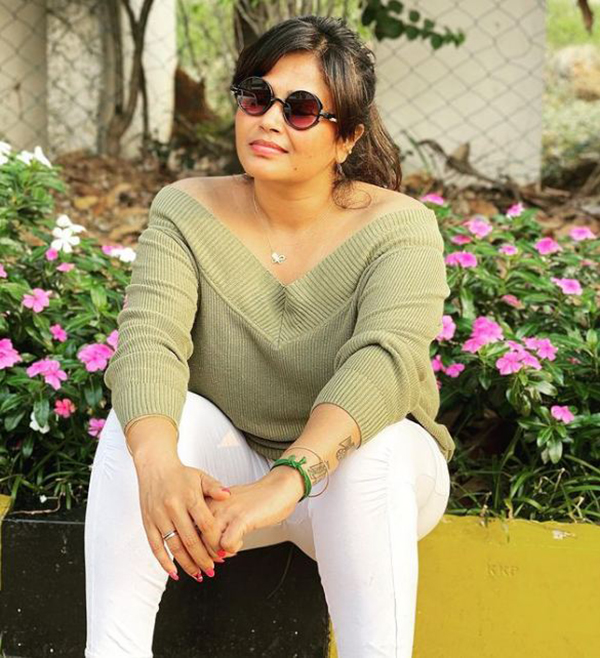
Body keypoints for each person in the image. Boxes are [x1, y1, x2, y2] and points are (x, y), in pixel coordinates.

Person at [84, 14, 455, 658]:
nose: (270, 120)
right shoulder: (186, 209)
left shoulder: (401, 227)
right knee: (140, 430)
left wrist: (286, 481)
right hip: (233, 476)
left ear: (347, 138)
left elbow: (384, 363)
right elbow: (150, 341)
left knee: (379, 450)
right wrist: (160, 467)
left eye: (302, 109)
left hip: (358, 482)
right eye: (257, 97)